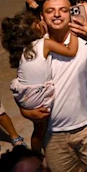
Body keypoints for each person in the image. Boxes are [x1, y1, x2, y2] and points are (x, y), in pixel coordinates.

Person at [17, 0, 87, 172]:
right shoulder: (33, 49)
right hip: (54, 134)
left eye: (63, 10)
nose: (57, 14)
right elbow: (25, 89)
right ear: (42, 17)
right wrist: (26, 110)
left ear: (71, 13)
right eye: (50, 11)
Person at [1, 11, 78, 151]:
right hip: (38, 97)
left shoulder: (24, 50)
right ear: (35, 28)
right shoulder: (45, 43)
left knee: (39, 130)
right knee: (44, 130)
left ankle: (36, 154)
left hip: (25, 96)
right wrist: (73, 30)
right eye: (39, 22)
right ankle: (37, 154)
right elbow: (71, 51)